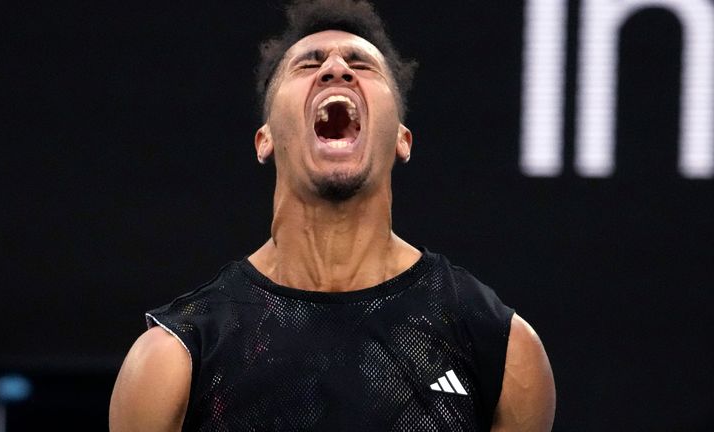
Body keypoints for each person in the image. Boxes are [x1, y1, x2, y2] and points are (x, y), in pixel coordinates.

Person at [109, 0, 556, 431]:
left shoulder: (499, 348)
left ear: (403, 139)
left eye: (361, 65)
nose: (336, 69)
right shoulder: (174, 359)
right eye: (308, 64)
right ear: (264, 139)